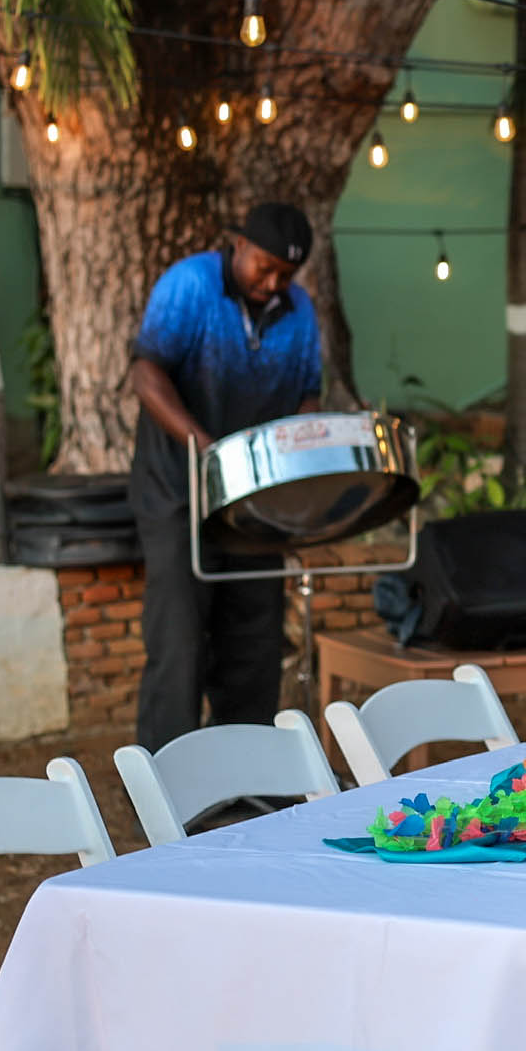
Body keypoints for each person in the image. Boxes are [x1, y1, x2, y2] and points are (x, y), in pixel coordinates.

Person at [127, 202, 325, 751]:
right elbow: (146, 374)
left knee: (255, 637)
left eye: (286, 274)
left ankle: (244, 770)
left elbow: (309, 392)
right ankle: (166, 775)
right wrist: (203, 447)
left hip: (253, 496)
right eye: (264, 267)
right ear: (239, 246)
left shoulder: (299, 311)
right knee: (180, 636)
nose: (273, 283)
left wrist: (297, 451)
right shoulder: (190, 285)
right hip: (178, 486)